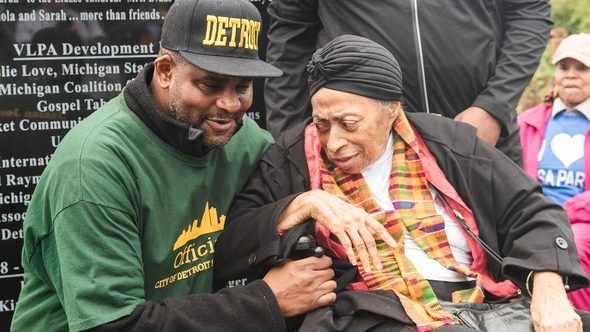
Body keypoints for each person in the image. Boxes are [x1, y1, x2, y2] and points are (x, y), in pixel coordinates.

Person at [215, 35, 590, 331]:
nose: (333, 143)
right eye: (323, 124)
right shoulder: (292, 156)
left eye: (349, 124)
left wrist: (549, 290)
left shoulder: (448, 143)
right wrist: (303, 204)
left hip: (481, 303)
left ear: (392, 110)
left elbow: (531, 212)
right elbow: (230, 249)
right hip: (369, 312)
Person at [10, 0, 338, 331]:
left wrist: (298, 206)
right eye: (210, 85)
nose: (229, 104)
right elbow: (113, 325)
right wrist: (266, 301)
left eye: (242, 87)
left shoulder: (242, 139)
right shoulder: (94, 166)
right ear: (166, 70)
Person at [263, 0, 553, 165]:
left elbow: (529, 10)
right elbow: (290, 39)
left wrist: (494, 106)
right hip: (364, 147)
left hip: (478, 135)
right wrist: (293, 147)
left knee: (498, 260)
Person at [518, 33, 590, 310]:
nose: (571, 75)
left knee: (574, 247)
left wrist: (561, 216)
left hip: (581, 223)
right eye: (564, 67)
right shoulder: (526, 122)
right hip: (533, 218)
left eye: (582, 68)